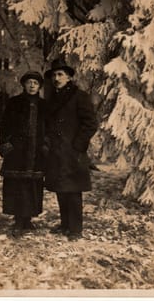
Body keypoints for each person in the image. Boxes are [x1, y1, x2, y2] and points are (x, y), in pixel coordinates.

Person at [44, 59, 98, 241]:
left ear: (69, 77)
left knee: (73, 190)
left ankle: (75, 229)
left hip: (73, 151)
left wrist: (78, 145)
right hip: (56, 151)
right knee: (61, 188)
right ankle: (65, 224)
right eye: (54, 75)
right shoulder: (53, 98)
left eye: (60, 74)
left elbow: (90, 124)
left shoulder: (79, 96)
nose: (56, 78)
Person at [0, 71, 46, 238]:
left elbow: (50, 128)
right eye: (29, 82)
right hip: (17, 151)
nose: (32, 85)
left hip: (36, 152)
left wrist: (46, 145)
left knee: (32, 185)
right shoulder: (14, 103)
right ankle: (18, 220)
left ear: (40, 86)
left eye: (36, 83)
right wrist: (6, 144)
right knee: (17, 185)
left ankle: (28, 219)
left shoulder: (44, 105)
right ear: (24, 85)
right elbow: (4, 126)